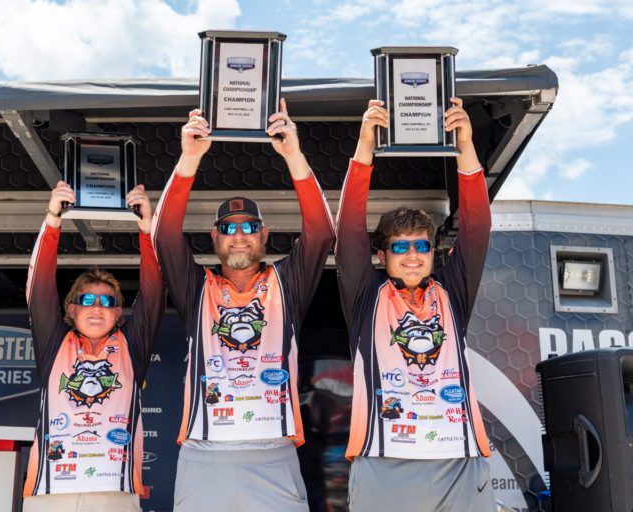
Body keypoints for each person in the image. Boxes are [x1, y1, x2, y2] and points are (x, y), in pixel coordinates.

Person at [152, 99, 335, 512]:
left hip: (273, 454)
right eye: (228, 228)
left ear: (264, 234)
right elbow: (163, 236)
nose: (239, 235)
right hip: (204, 453)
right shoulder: (197, 287)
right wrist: (189, 159)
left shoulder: (286, 283)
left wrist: (293, 154)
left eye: (249, 226)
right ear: (214, 238)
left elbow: (322, 233)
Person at [336, 98, 496, 511]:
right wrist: (365, 145)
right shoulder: (366, 295)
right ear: (381, 255)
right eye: (400, 246)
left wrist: (466, 146)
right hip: (383, 459)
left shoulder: (452, 291)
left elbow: (477, 227)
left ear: (434, 251)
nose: (412, 254)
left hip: (457, 460)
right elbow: (349, 227)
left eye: (421, 245)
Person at [22, 182, 165, 512]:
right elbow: (39, 288)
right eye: (87, 300)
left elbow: (154, 292)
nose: (97, 307)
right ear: (72, 309)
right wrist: (53, 221)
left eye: (107, 301)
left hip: (113, 491)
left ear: (118, 312)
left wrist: (147, 229)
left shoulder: (131, 344)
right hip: (50, 489)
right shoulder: (55, 343)